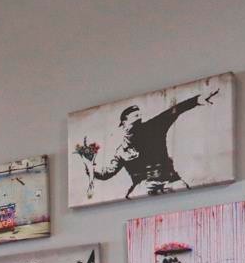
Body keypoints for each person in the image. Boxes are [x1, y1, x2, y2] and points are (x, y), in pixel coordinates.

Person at [80, 85, 222, 198]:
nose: (138, 119)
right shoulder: (122, 150)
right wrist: (90, 167)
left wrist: (196, 100)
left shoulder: (153, 127)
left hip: (171, 180)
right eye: (134, 117)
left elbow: (174, 111)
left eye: (139, 117)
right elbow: (107, 174)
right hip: (144, 187)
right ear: (123, 123)